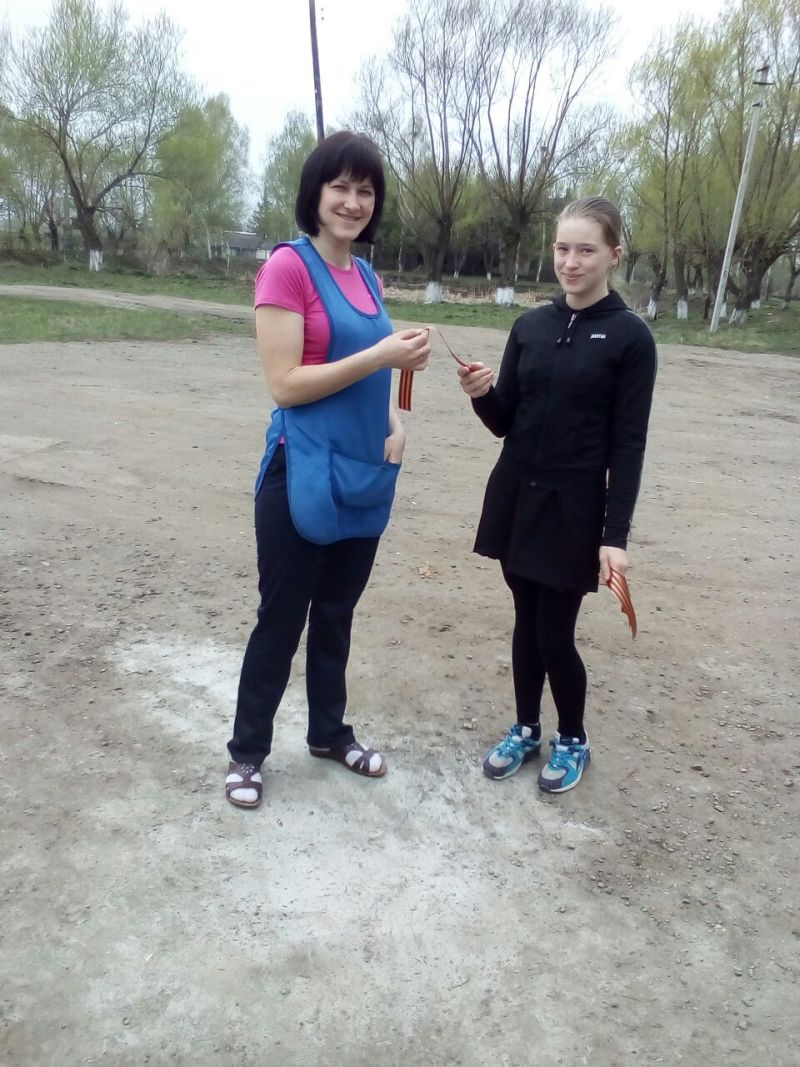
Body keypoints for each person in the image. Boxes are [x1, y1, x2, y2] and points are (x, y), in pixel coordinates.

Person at [226, 131, 430, 808]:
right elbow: (285, 384)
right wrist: (381, 356)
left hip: (363, 470)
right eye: (339, 186)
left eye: (365, 190)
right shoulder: (287, 269)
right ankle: (247, 754)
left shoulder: (366, 276)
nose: (352, 201)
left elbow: (375, 376)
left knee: (337, 613)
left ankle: (329, 733)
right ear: (314, 194)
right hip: (301, 472)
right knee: (282, 618)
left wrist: (395, 424)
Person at [458, 196, 656, 794]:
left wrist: (615, 536)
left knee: (553, 632)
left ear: (613, 255)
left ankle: (573, 739)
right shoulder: (530, 327)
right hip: (517, 494)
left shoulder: (630, 339)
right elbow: (505, 421)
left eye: (585, 250)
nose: (571, 262)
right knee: (525, 622)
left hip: (574, 507)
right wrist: (481, 394)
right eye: (562, 249)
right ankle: (525, 728)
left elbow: (628, 446)